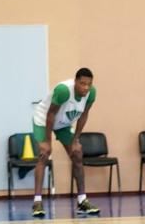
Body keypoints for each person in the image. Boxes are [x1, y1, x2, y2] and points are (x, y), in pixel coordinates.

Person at [31, 68, 98, 217]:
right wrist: (47, 142)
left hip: (63, 123)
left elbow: (83, 116)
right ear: (75, 82)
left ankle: (82, 201)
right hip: (44, 120)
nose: (86, 88)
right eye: (82, 84)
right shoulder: (64, 91)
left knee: (77, 154)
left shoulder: (91, 94)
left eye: (89, 84)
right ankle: (37, 202)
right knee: (44, 154)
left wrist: (75, 141)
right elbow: (50, 114)